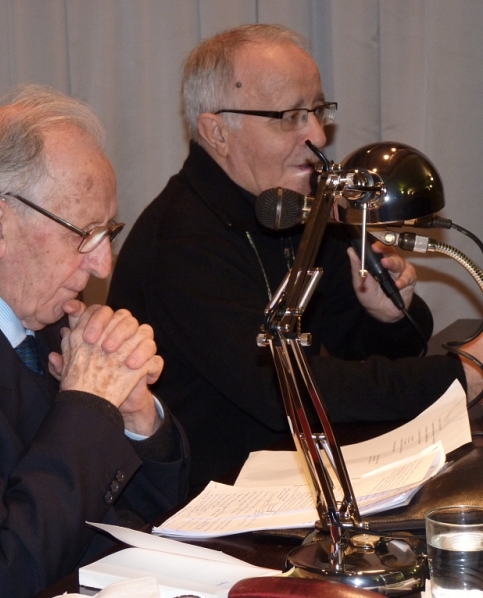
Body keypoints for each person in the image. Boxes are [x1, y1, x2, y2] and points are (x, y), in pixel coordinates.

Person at [107, 24, 483, 491]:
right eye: (290, 117)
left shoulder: (291, 202)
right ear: (216, 131)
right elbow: (286, 390)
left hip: (303, 478)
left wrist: (384, 318)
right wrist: (460, 373)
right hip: (216, 510)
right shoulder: (180, 243)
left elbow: (361, 353)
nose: (319, 135)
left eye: (319, 111)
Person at [0, 85, 189, 597]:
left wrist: (135, 418)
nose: (103, 265)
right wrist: (90, 404)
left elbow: (153, 510)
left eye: (107, 232)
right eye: (83, 234)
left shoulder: (38, 306)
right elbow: (0, 573)